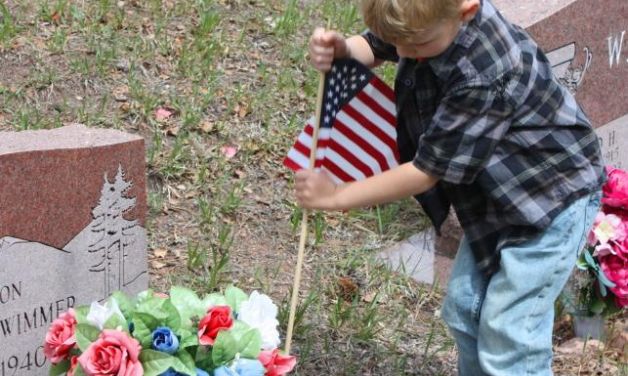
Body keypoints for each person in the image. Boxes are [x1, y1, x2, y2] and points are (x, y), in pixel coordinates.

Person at [295, 0, 605, 374]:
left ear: (466, 10)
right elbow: (381, 45)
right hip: (499, 201)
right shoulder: (433, 20)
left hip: (551, 203)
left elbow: (426, 170)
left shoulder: (484, 71)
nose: (405, 54)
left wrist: (338, 195)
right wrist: (345, 51)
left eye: (416, 44)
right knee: (464, 308)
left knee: (510, 332)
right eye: (399, 41)